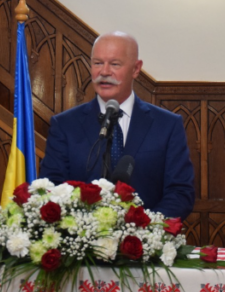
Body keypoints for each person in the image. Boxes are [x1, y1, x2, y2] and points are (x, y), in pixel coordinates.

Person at [38, 31, 196, 219]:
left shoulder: (167, 125)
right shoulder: (65, 125)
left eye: (114, 64)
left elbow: (180, 192)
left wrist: (145, 228)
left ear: (136, 69)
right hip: (83, 234)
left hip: (146, 234)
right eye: (98, 63)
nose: (104, 72)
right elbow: (51, 188)